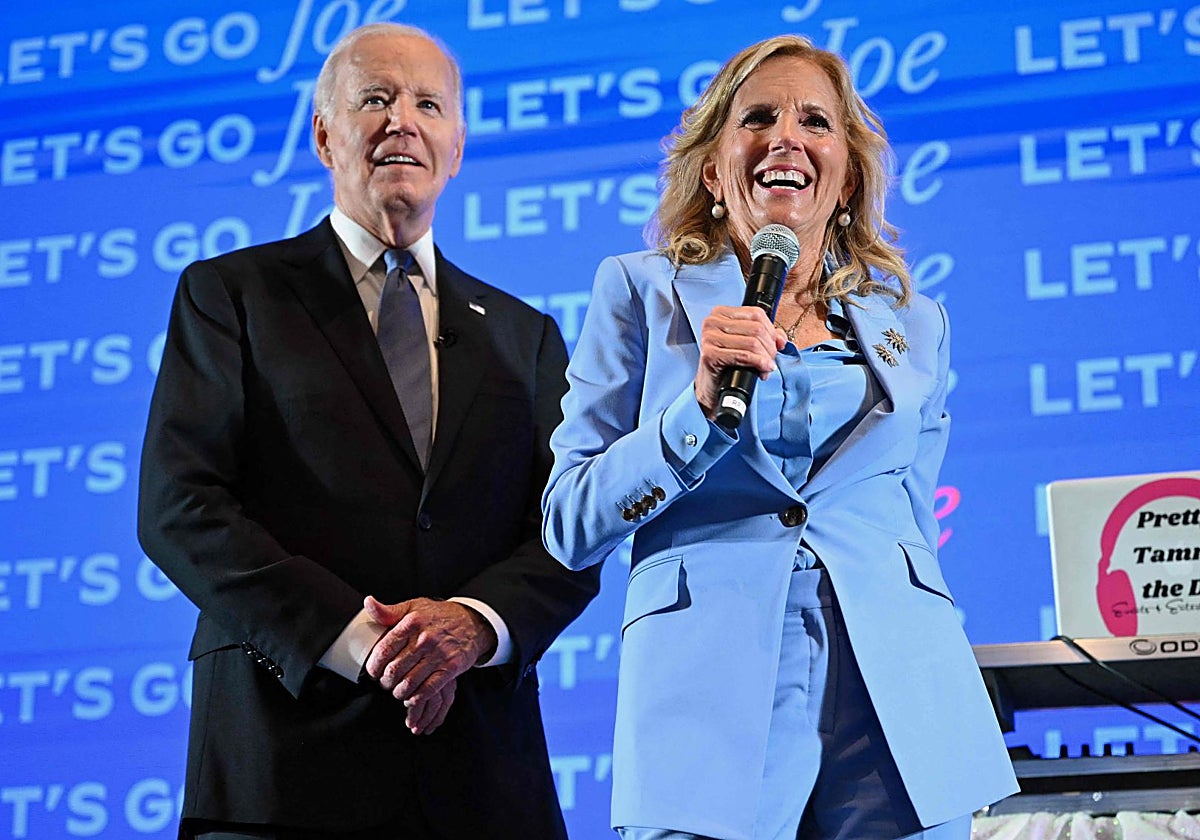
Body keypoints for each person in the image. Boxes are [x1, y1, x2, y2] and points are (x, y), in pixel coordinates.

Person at [541, 34, 1017, 840]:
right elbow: (567, 523)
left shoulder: (917, 325)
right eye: (756, 118)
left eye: (815, 122)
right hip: (706, 701)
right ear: (716, 174)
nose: (786, 138)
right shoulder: (640, 293)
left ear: (847, 176)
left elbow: (911, 521)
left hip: (895, 701)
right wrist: (691, 413)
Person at [138, 22, 600, 840]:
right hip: (280, 763)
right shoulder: (232, 295)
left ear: (457, 147)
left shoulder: (525, 336)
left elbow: (569, 531)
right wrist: (359, 641)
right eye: (376, 99)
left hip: (481, 779)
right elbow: (181, 506)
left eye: (428, 104)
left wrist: (473, 627)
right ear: (325, 135)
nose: (403, 122)